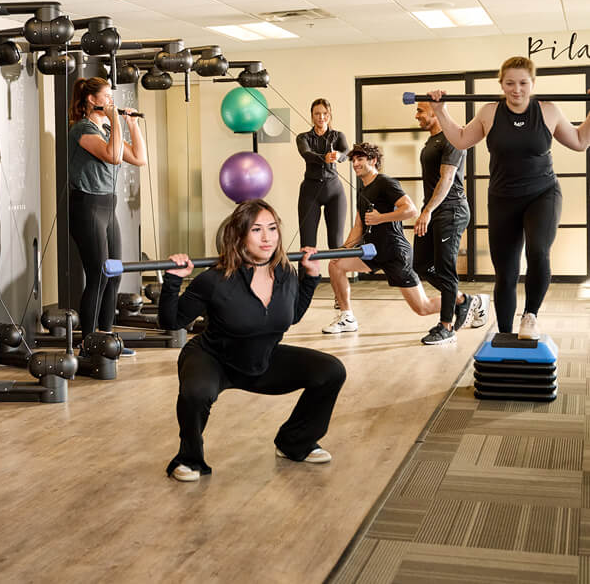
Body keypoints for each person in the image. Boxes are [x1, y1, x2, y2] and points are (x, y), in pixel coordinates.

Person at [158, 199, 346, 482]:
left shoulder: (285, 272)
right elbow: (170, 322)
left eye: (272, 228)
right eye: (257, 230)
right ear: (240, 236)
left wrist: (310, 278)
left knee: (331, 371)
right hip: (214, 358)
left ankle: (294, 442)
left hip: (263, 359)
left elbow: (292, 316)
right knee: (196, 394)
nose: (267, 237)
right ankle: (189, 458)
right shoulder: (214, 280)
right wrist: (172, 282)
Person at [429, 56, 590, 339]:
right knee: (506, 272)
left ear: (533, 84)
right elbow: (462, 139)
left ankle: (530, 316)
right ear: (501, 84)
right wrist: (440, 111)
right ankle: (504, 335)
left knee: (538, 251)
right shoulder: (490, 112)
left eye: (523, 83)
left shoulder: (548, 111)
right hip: (503, 199)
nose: (517, 89)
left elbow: (579, 142)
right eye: (510, 83)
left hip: (543, 193)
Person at [322, 143, 459, 337]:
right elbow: (358, 227)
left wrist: (381, 218)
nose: (355, 164)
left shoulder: (385, 182)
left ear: (373, 161)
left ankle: (463, 300)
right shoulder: (362, 191)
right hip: (374, 251)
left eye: (360, 159)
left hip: (395, 252)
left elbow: (410, 210)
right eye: (353, 160)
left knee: (423, 307)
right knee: (336, 264)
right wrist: (343, 249)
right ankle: (347, 317)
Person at [67, 76, 147, 352]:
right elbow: (113, 157)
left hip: (108, 207)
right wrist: (115, 124)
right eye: (107, 96)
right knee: (99, 275)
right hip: (87, 207)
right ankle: (89, 341)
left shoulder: (107, 130)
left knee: (114, 274)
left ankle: (107, 338)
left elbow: (138, 158)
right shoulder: (82, 130)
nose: (112, 100)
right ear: (92, 100)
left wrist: (131, 125)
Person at [413, 102, 488, 344]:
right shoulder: (431, 141)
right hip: (434, 211)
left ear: (435, 113)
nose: (417, 116)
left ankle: (446, 327)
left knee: (446, 269)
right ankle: (463, 300)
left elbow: (446, 180)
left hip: (451, 211)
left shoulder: (452, 138)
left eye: (421, 111)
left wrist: (427, 211)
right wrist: (428, 211)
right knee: (421, 264)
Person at [296, 98, 349, 250]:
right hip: (310, 191)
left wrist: (338, 155)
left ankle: (338, 274)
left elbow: (346, 152)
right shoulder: (303, 137)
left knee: (336, 244)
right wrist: (323, 158)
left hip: (334, 191)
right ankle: (306, 275)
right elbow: (306, 153)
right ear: (312, 116)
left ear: (329, 115)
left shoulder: (338, 136)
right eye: (317, 114)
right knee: (307, 245)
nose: (321, 117)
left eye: (324, 113)